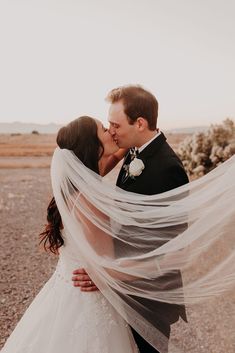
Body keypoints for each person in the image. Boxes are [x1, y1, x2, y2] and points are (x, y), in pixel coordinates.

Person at [1, 116, 139, 353]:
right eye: (104, 129)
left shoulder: (78, 183)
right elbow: (106, 264)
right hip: (88, 299)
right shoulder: (90, 200)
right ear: (92, 145)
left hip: (65, 289)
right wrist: (157, 265)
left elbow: (111, 158)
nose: (111, 132)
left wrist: (132, 138)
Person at [72, 85, 189, 353]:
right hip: (124, 290)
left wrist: (108, 275)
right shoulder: (133, 150)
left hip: (148, 297)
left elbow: (174, 253)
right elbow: (90, 172)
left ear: (140, 123)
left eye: (115, 124)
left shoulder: (167, 169)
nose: (110, 130)